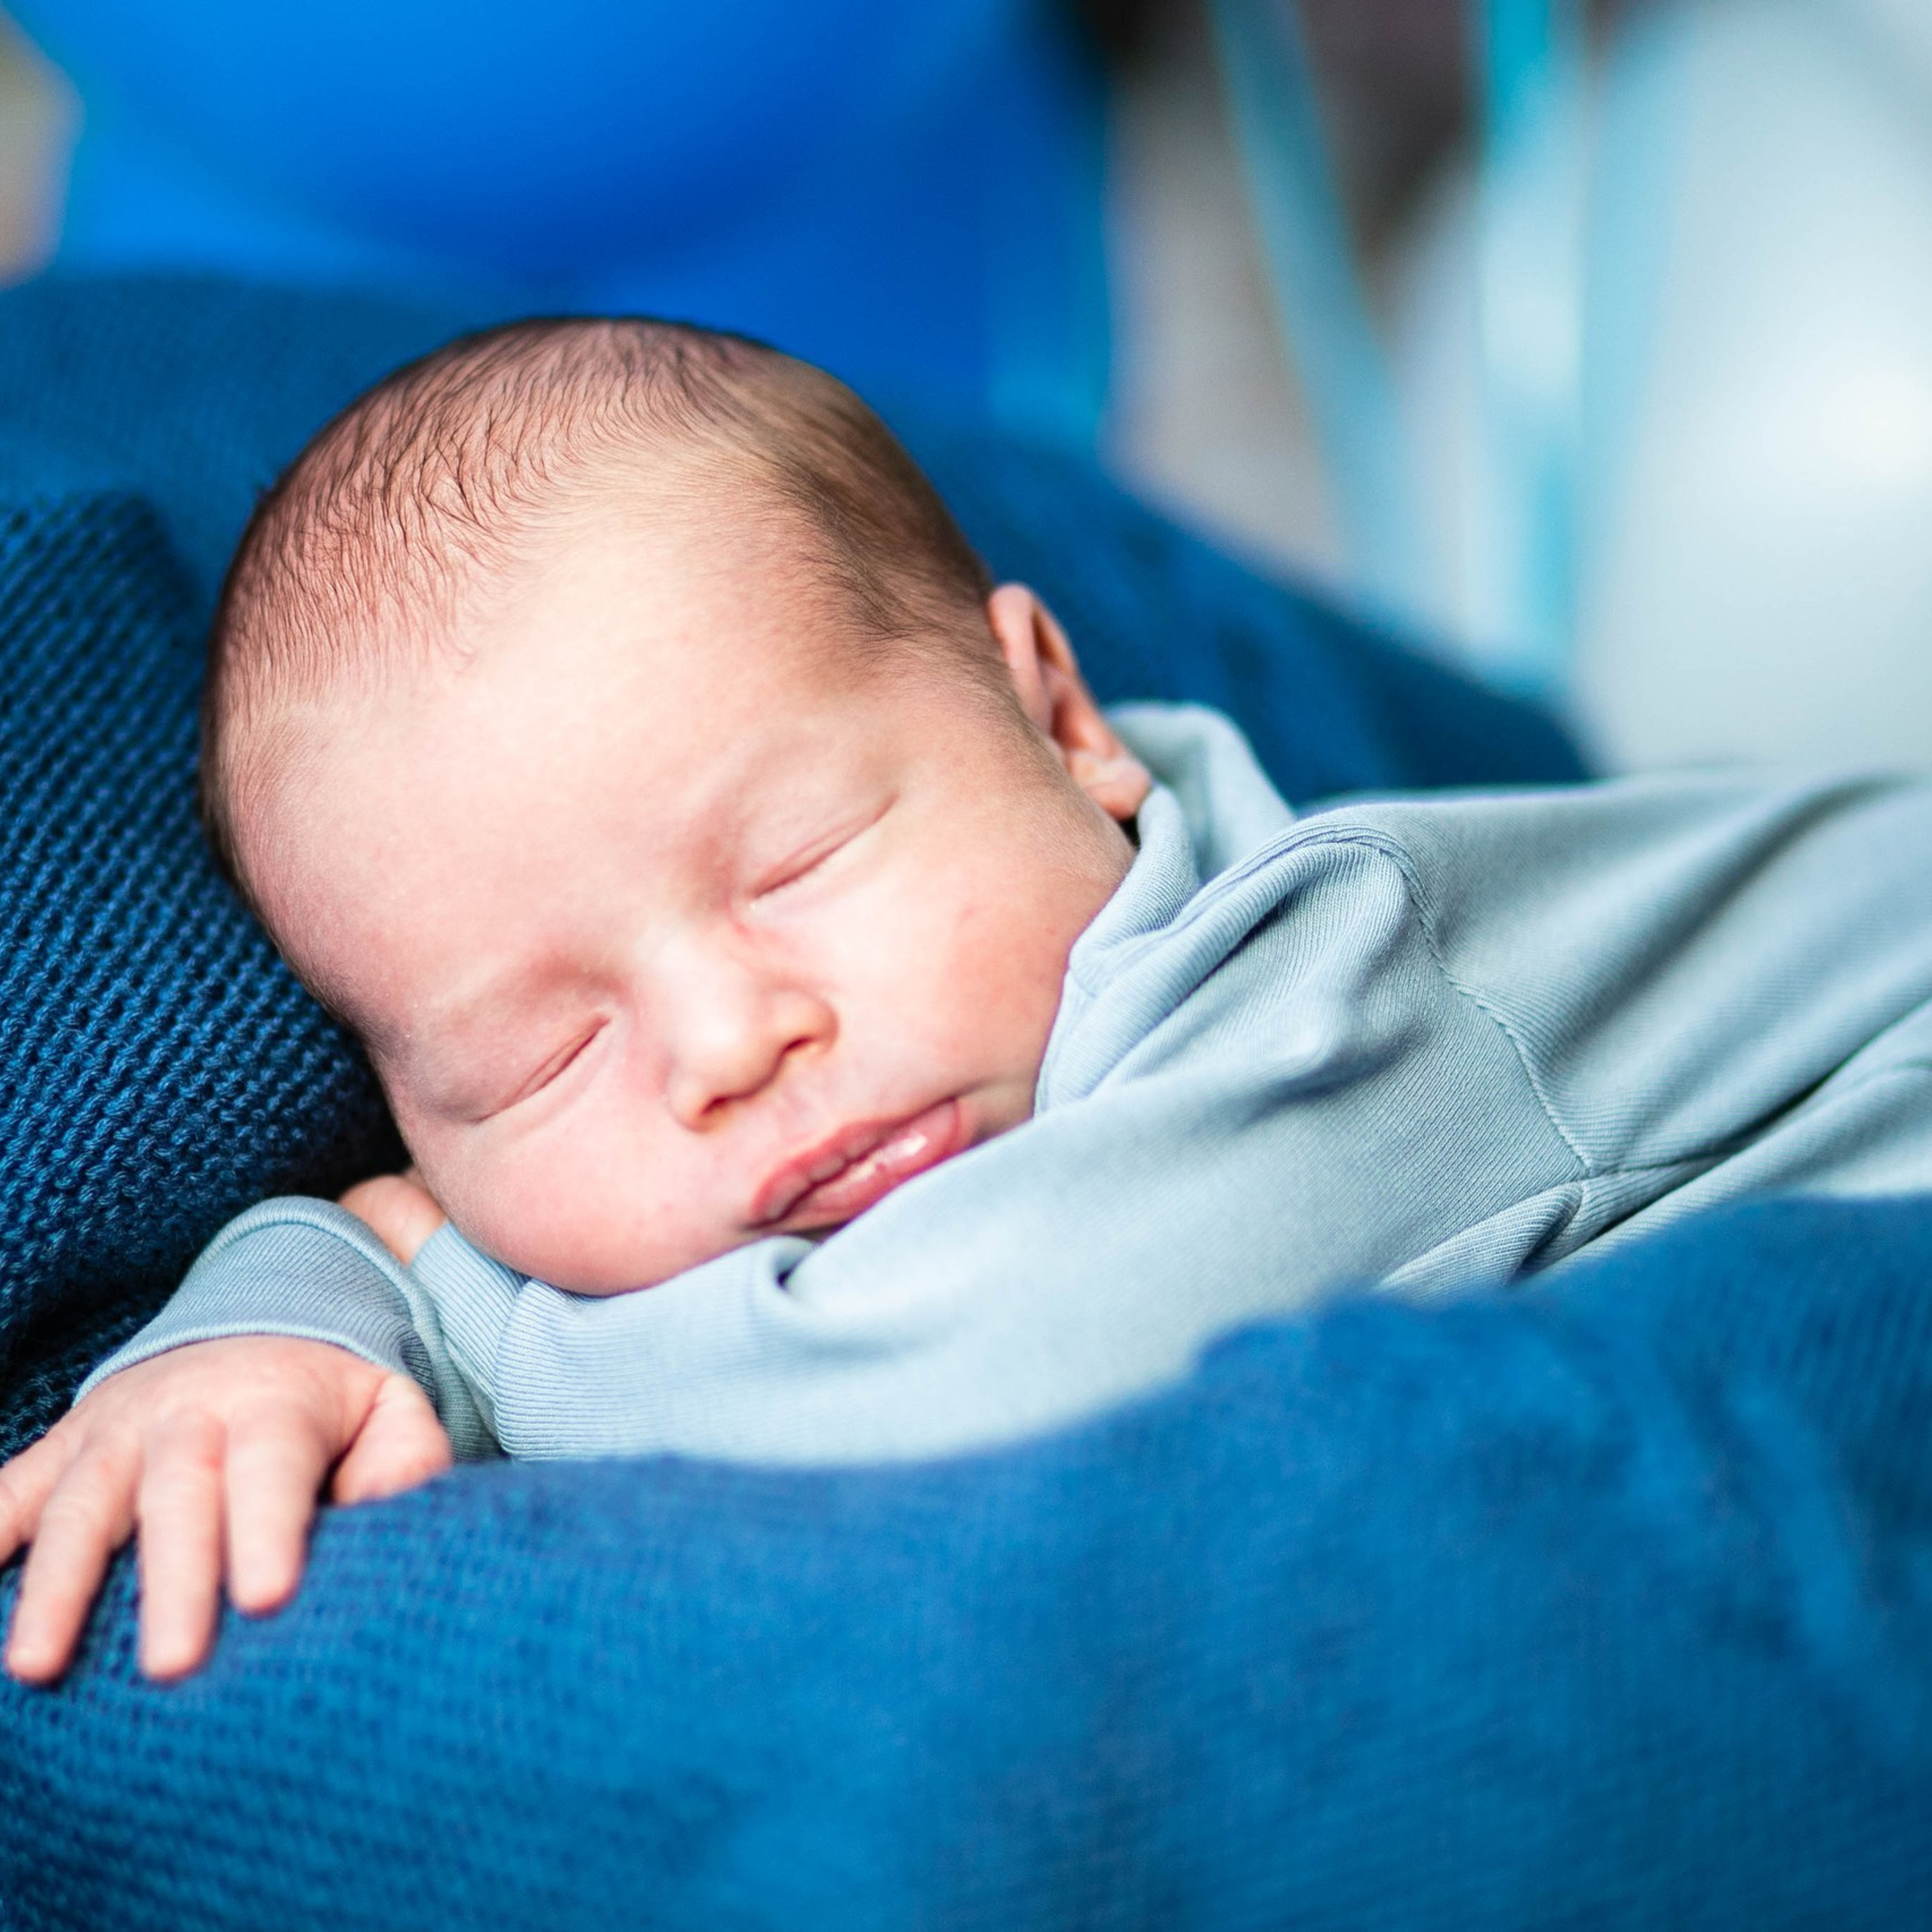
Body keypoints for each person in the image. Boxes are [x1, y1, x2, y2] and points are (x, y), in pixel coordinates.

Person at [9, 316, 1932, 1690]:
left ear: (1057, 715)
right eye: (540, 1054)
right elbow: (362, 1229)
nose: (722, 1045)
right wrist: (285, 1302)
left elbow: (1007, 1363)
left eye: (796, 866)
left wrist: (460, 1302)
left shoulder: (1329, 969)